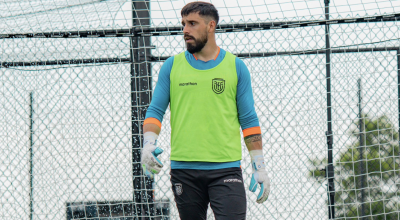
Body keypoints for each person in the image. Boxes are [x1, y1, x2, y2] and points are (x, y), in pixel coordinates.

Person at [141, 2, 270, 220]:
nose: (185, 30)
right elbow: (155, 110)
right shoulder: (172, 67)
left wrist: (259, 166)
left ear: (211, 26)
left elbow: (248, 120)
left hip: (226, 170)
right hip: (184, 171)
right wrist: (148, 143)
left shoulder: (236, 67)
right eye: (183, 24)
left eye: (192, 23)